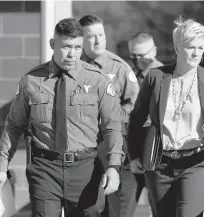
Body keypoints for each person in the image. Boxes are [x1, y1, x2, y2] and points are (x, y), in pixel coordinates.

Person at [0, 17, 124, 217]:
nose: (72, 54)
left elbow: (112, 126)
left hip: (85, 168)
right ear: (53, 44)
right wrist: (1, 167)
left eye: (78, 47)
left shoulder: (98, 81)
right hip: (45, 168)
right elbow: (14, 126)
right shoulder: (31, 81)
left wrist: (113, 166)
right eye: (66, 47)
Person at [127, 17, 204, 217]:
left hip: (196, 163)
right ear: (177, 47)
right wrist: (134, 155)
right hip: (159, 164)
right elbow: (137, 118)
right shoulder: (156, 77)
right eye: (191, 47)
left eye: (200, 48)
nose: (196, 53)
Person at [79, 15, 140, 217]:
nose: (97, 41)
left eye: (101, 35)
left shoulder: (119, 67)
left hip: (111, 144)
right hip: (81, 146)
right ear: (80, 39)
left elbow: (134, 105)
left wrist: (111, 117)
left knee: (116, 208)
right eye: (91, 36)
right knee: (87, 206)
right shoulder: (72, 65)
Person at [127, 32, 164, 216]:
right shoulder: (128, 75)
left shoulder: (165, 76)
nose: (137, 60)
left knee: (159, 207)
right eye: (133, 56)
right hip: (131, 152)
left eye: (142, 55)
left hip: (157, 151)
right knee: (122, 208)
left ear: (154, 51)